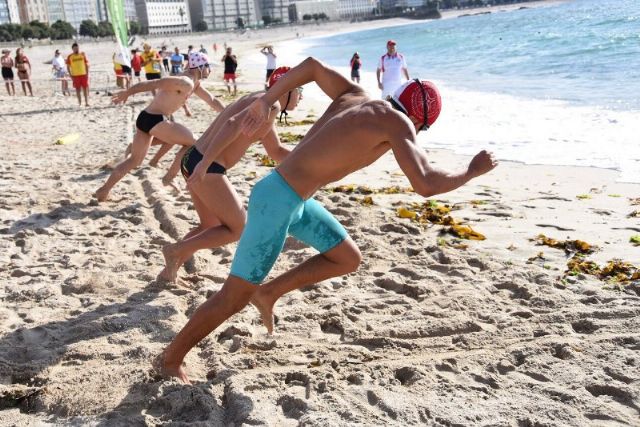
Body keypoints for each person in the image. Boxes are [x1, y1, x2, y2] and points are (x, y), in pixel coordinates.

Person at [157, 57, 497, 383]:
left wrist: (269, 99)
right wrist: (471, 171)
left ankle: (269, 293)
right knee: (232, 297)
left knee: (347, 257)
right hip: (277, 202)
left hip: (292, 198)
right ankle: (170, 359)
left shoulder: (355, 96)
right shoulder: (399, 123)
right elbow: (426, 183)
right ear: (421, 120)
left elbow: (313, 67)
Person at [159, 67, 301, 282]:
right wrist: (206, 164)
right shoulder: (271, 105)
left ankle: (168, 272)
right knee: (238, 228)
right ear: (288, 88)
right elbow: (233, 124)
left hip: (193, 159)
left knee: (210, 226)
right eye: (300, 90)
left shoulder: (262, 102)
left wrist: (311, 162)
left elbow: (276, 151)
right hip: (207, 166)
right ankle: (174, 251)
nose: (301, 97)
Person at [94, 52, 225, 202]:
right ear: (199, 67)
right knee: (193, 142)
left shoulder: (194, 84)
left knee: (134, 161)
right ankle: (169, 177)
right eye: (208, 66)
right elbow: (154, 83)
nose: (210, 70)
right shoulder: (184, 81)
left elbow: (212, 100)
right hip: (154, 119)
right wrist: (127, 93)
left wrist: (229, 112)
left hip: (147, 118)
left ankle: (103, 191)